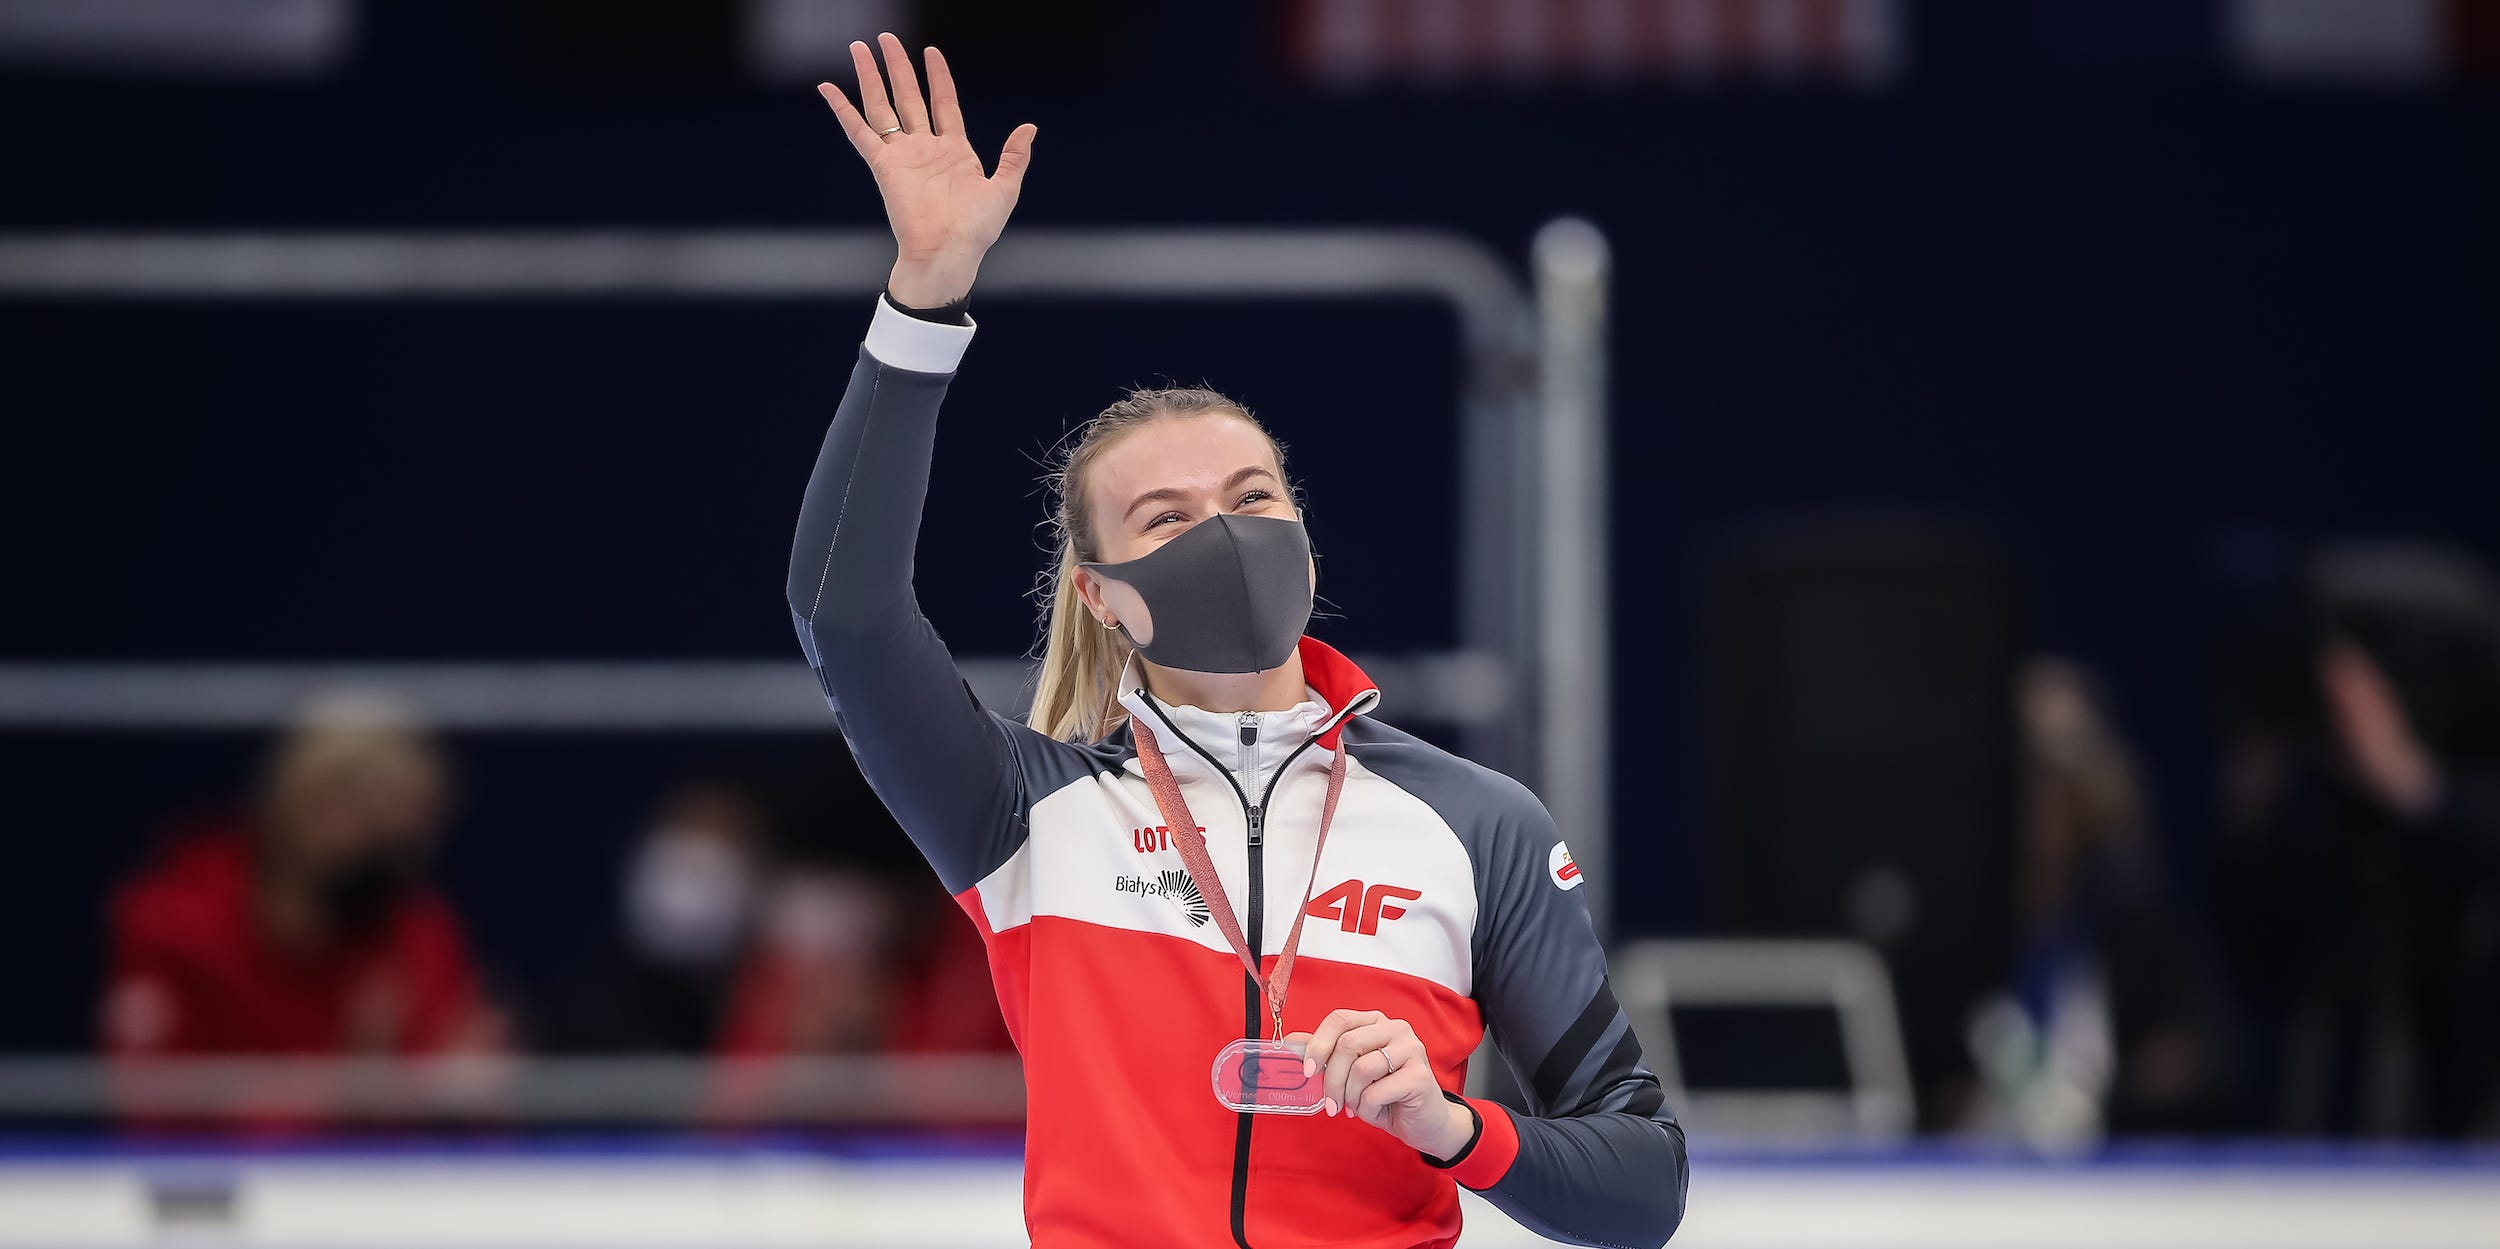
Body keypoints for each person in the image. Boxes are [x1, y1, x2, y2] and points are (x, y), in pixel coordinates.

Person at [783, 35, 1687, 1248]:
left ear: (1306, 540)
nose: (1224, 532)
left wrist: (1453, 1125)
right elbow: (843, 611)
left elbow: (1642, 1187)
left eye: (1253, 498)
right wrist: (925, 298)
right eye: (1167, 518)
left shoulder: (1476, 823)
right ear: (1103, 596)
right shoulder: (1022, 813)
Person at [101, 692, 503, 1129]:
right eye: (372, 824)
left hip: (384, 1194)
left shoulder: (418, 936)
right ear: (306, 804)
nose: (394, 861)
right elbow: (156, 1128)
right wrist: (350, 1095)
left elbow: (470, 1128)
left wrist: (465, 1099)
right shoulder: (175, 930)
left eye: (411, 838)